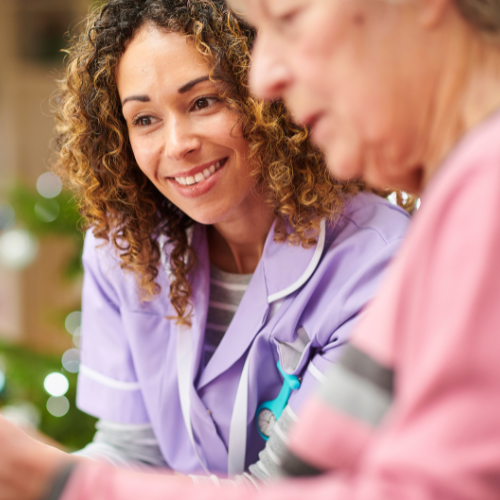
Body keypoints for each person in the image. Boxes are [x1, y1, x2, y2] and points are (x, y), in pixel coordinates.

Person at [5, 0, 500, 498]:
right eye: (144, 119)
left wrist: (60, 481)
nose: (177, 144)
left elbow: (301, 486)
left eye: (204, 101)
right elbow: (134, 452)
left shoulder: (388, 254)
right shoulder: (126, 245)